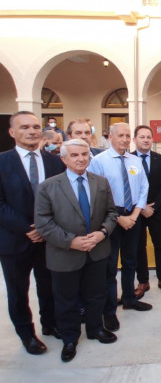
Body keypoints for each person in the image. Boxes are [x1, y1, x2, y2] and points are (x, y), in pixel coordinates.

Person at [34, 139, 119, 362]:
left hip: (97, 250)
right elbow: (43, 223)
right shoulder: (48, 187)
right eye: (74, 155)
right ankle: (70, 338)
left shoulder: (101, 182)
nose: (81, 159)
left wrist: (102, 233)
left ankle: (95, 328)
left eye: (84, 154)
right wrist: (71, 241)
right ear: (63, 159)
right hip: (65, 254)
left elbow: (112, 213)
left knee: (96, 294)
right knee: (66, 299)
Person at [0, 111, 65, 355]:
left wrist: (45, 228)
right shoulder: (2, 162)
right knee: (18, 292)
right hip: (14, 240)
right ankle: (27, 334)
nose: (31, 131)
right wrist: (28, 229)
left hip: (49, 239)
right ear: (12, 132)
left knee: (49, 286)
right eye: (24, 127)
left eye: (36, 127)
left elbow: (62, 199)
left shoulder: (54, 162)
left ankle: (50, 323)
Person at [88, 122, 152, 334]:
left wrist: (134, 215)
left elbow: (143, 188)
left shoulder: (135, 160)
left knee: (130, 260)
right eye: (120, 135)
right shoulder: (99, 162)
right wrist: (118, 218)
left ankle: (129, 298)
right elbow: (96, 196)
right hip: (110, 217)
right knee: (110, 265)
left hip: (133, 215)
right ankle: (109, 311)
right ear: (110, 137)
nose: (125, 139)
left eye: (127, 136)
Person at [132, 125, 161, 298]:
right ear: (135, 139)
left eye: (148, 137)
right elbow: (127, 187)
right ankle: (143, 281)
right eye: (142, 137)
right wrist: (141, 207)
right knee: (139, 247)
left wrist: (153, 207)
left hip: (158, 210)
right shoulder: (127, 160)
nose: (145, 140)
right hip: (136, 213)